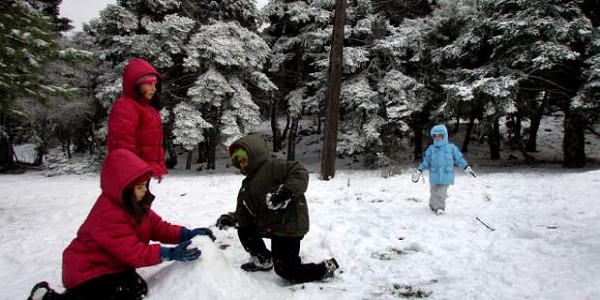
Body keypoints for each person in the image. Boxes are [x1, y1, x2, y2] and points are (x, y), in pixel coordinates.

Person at [26, 149, 215, 300]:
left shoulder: (136, 205)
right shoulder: (108, 214)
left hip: (113, 266)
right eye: (139, 187)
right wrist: (169, 253)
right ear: (123, 188)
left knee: (136, 288)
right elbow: (134, 252)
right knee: (122, 292)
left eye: (145, 186)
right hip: (88, 270)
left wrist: (186, 234)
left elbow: (159, 228)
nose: (143, 191)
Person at [216, 134, 339, 283]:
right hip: (270, 225)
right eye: (239, 162)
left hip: (287, 226)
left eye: (244, 159)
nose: (242, 165)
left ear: (254, 154)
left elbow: (299, 172)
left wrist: (285, 192)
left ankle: (325, 268)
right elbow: (245, 212)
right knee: (244, 228)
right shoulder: (247, 185)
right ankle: (263, 259)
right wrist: (232, 218)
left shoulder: (273, 167)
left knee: (286, 272)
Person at [106, 58, 167, 181]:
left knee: (143, 200)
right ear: (136, 84)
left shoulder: (148, 108)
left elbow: (151, 144)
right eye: (149, 84)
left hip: (142, 170)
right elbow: (122, 143)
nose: (154, 88)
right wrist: (129, 171)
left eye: (154, 84)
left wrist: (156, 167)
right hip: (132, 172)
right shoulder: (126, 106)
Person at [412, 124, 476, 215]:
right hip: (434, 175)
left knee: (441, 193)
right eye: (435, 136)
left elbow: (459, 159)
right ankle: (433, 205)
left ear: (444, 135)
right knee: (434, 192)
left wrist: (466, 167)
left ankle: (439, 207)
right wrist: (419, 171)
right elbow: (425, 161)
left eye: (439, 135)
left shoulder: (451, 148)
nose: (437, 137)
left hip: (446, 175)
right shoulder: (431, 149)